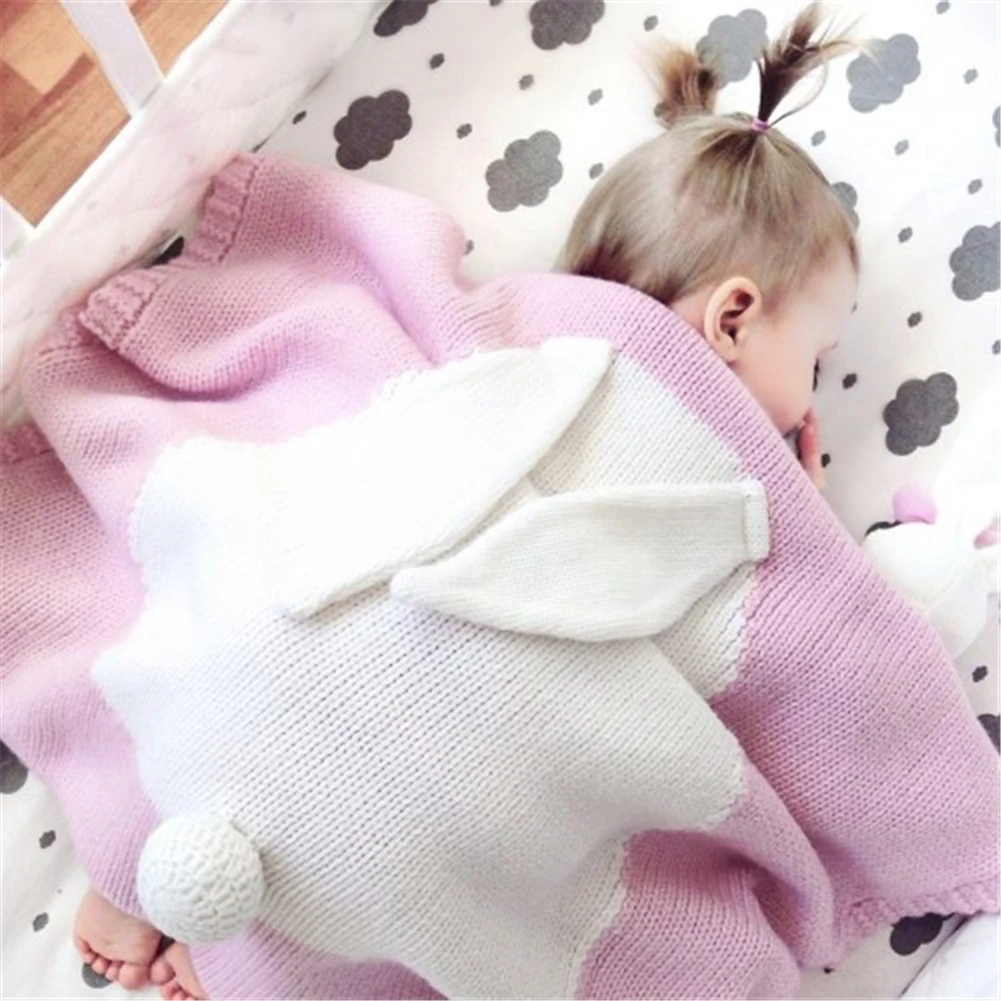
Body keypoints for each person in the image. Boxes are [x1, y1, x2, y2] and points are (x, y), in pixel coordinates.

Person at [72, 6, 858, 999]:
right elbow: (800, 652)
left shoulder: (497, 340)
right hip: (437, 711)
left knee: (246, 655)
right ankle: (248, 950)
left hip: (324, 644)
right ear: (732, 317)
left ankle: (153, 861)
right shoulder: (688, 459)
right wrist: (797, 529)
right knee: (444, 825)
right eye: (815, 357)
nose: (812, 397)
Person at [561, 3, 859, 490]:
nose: (809, 407)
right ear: (732, 320)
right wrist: (800, 515)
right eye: (814, 367)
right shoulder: (717, 481)